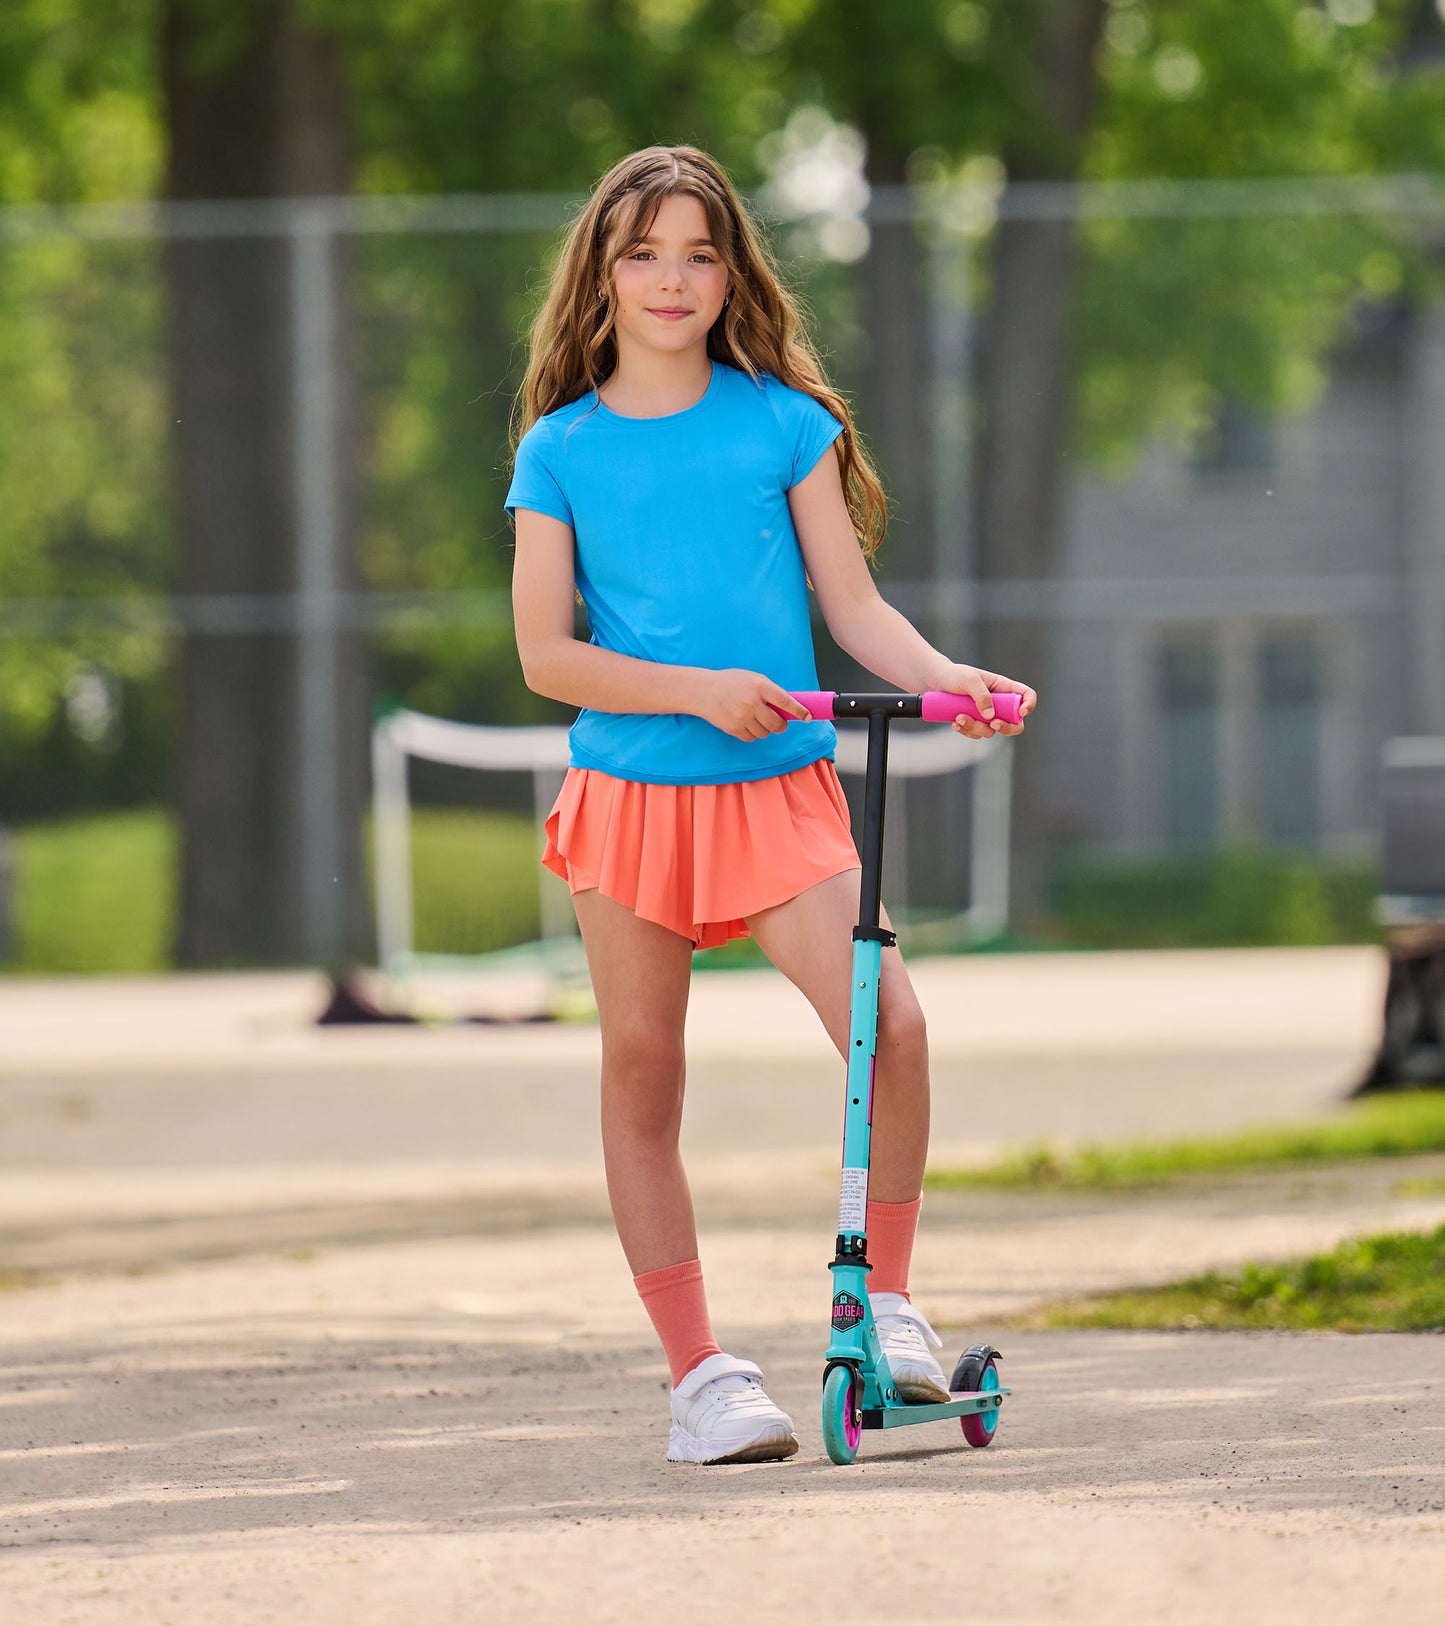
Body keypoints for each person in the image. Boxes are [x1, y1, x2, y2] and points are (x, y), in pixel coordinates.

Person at [504, 144, 1035, 1465]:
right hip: (630, 798)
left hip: (778, 795)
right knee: (643, 1073)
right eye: (642, 253)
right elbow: (547, 657)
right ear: (601, 274)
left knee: (889, 1024)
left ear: (733, 273)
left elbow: (854, 607)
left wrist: (948, 679)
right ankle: (701, 1378)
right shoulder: (559, 450)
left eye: (699, 253)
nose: (671, 279)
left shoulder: (783, 422)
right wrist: (697, 692)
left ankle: (886, 1307)